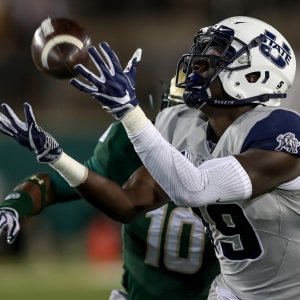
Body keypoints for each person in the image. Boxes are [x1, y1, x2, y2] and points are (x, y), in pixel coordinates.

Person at [1, 15, 299, 299]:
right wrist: (56, 157)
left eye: (216, 58)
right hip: (232, 291)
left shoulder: (281, 131)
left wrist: (128, 113)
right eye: (201, 54)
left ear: (255, 75)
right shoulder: (181, 124)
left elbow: (194, 188)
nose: (198, 64)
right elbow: (129, 203)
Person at [0, 71, 219, 300]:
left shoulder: (239, 156)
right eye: (173, 115)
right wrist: (14, 205)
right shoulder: (129, 146)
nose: (175, 126)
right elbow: (52, 186)